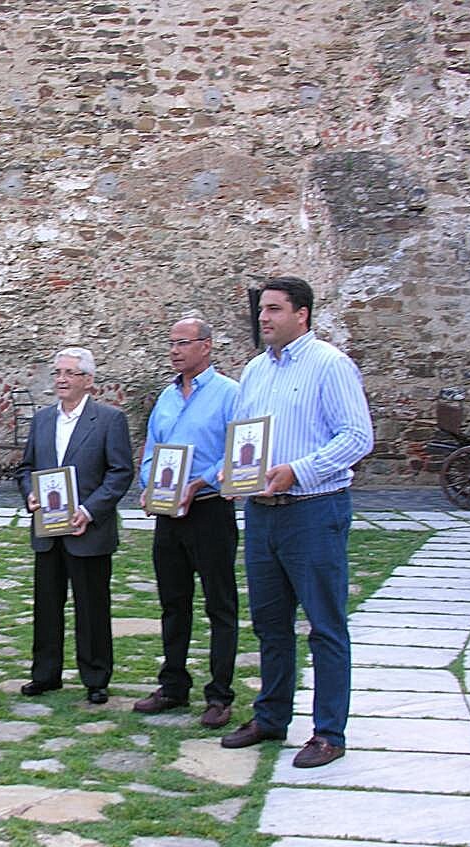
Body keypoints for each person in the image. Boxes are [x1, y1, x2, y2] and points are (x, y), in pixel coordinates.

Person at [220, 276, 374, 768]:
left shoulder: (330, 365)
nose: (263, 318)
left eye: (274, 309)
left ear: (302, 314)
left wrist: (298, 471)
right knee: (270, 625)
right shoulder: (255, 372)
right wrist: (233, 472)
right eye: (261, 310)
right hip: (263, 515)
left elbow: (357, 437)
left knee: (325, 625)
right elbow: (244, 437)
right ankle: (271, 717)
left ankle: (329, 732)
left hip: (314, 510)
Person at [133, 317, 240, 728]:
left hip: (210, 509)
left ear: (206, 346)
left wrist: (201, 482)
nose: (175, 350)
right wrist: (148, 486)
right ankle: (173, 685)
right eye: (171, 343)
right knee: (173, 603)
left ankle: (219, 694)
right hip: (168, 514)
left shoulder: (229, 394)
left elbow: (237, 450)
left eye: (183, 343)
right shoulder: (166, 397)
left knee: (220, 604)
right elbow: (152, 450)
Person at [17, 347, 133, 704]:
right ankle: (45, 674)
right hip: (49, 531)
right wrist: (30, 496)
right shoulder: (43, 420)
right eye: (57, 373)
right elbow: (26, 468)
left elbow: (120, 472)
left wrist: (90, 510)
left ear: (88, 380)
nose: (62, 380)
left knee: (92, 607)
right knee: (46, 606)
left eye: (69, 373)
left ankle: (96, 677)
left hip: (88, 530)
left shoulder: (109, 420)